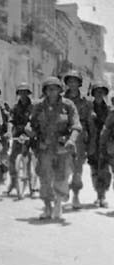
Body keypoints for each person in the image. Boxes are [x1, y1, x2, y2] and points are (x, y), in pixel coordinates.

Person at [27, 76, 81, 220]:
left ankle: (58, 203)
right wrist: (28, 131)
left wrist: (71, 140)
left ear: (60, 90)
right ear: (44, 91)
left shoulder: (68, 105)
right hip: (44, 147)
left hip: (62, 148)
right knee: (45, 178)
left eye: (55, 89)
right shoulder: (38, 105)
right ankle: (47, 207)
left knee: (61, 177)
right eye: (49, 89)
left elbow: (76, 125)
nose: (52, 92)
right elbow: (31, 123)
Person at [62, 70, 94, 209]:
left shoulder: (86, 102)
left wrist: (91, 142)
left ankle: (75, 195)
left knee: (77, 169)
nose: (72, 83)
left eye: (75, 81)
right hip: (63, 135)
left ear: (79, 83)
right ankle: (63, 188)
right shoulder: (61, 98)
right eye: (70, 81)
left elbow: (90, 122)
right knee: (63, 166)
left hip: (80, 137)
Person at [6, 82, 35, 197]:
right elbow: (10, 120)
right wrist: (9, 132)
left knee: (32, 157)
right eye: (21, 93)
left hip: (30, 132)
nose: (23, 95)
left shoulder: (33, 106)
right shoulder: (15, 107)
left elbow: (32, 119)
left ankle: (33, 185)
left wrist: (29, 131)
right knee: (12, 158)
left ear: (28, 94)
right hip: (18, 133)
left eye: (25, 93)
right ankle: (13, 182)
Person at [88, 81, 110, 207]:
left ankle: (103, 196)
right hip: (92, 143)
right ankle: (98, 195)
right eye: (97, 91)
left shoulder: (109, 109)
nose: (99, 94)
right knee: (94, 170)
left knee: (105, 171)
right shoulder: (88, 108)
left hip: (105, 144)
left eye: (102, 92)